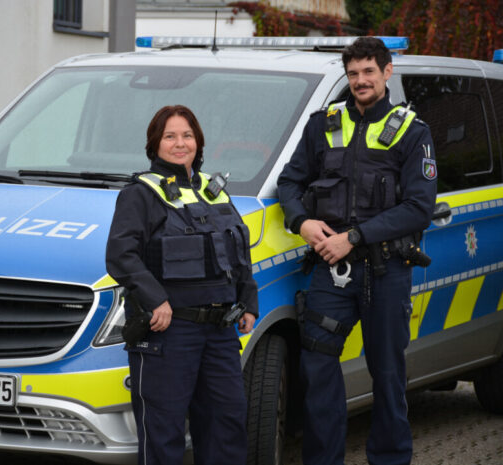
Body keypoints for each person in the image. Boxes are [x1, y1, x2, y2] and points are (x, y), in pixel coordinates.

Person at [277, 37, 437, 465]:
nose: (361, 81)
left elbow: (419, 208)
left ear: (387, 72)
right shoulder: (323, 124)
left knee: (387, 375)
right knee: (317, 369)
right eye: (353, 74)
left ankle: (388, 458)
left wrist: (354, 236)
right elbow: (290, 183)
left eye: (369, 71)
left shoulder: (411, 131)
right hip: (330, 273)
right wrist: (302, 222)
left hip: (385, 271)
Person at [105, 104, 259, 465]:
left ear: (198, 141)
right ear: (155, 144)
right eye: (170, 136)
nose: (180, 143)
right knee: (164, 434)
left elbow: (238, 251)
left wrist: (247, 300)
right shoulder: (140, 194)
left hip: (220, 334)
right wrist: (155, 299)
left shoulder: (213, 190)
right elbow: (120, 255)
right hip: (169, 333)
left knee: (227, 425)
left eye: (187, 135)